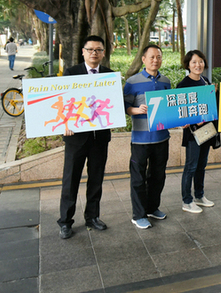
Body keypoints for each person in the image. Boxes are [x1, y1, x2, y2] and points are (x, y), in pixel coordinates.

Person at [57, 36, 112, 239]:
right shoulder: (71, 73)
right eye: (90, 49)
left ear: (103, 53)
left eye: (98, 50)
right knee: (70, 180)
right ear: (83, 52)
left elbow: (113, 103)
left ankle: (92, 217)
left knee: (96, 180)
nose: (94, 53)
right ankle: (65, 222)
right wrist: (65, 124)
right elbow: (63, 101)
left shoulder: (109, 75)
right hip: (76, 138)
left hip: (100, 138)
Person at [124, 44, 171, 229]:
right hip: (140, 140)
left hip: (162, 138)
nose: (155, 60)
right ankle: (139, 215)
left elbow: (169, 108)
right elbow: (126, 108)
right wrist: (137, 110)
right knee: (138, 178)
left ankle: (152, 208)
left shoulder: (165, 81)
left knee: (158, 176)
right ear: (143, 59)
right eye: (151, 57)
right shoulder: (132, 82)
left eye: (158, 57)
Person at [177, 50, 220, 214]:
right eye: (194, 62)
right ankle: (187, 201)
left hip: (206, 131)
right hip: (193, 133)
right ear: (188, 65)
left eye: (201, 61)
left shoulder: (205, 81)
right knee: (191, 166)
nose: (198, 65)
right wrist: (192, 120)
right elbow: (180, 112)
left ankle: (199, 196)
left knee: (201, 165)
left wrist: (214, 93)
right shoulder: (183, 85)